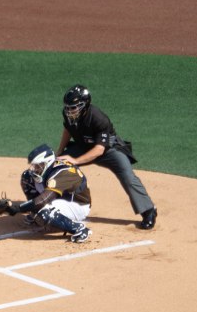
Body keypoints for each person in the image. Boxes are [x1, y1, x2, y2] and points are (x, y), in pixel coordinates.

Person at [56, 85, 157, 229]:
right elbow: (68, 130)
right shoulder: (68, 114)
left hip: (109, 151)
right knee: (58, 165)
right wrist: (60, 151)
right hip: (83, 146)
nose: (69, 111)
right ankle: (56, 204)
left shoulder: (99, 118)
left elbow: (99, 150)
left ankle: (149, 210)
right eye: (67, 107)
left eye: (74, 107)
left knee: (128, 177)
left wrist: (75, 160)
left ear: (85, 105)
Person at [0, 144, 93, 243]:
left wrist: (17, 208)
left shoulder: (64, 172)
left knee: (44, 211)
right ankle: (37, 213)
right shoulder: (49, 169)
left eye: (38, 166)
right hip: (59, 199)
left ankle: (79, 228)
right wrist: (14, 208)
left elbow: (43, 200)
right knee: (27, 177)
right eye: (34, 166)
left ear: (47, 163)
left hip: (77, 205)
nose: (35, 169)